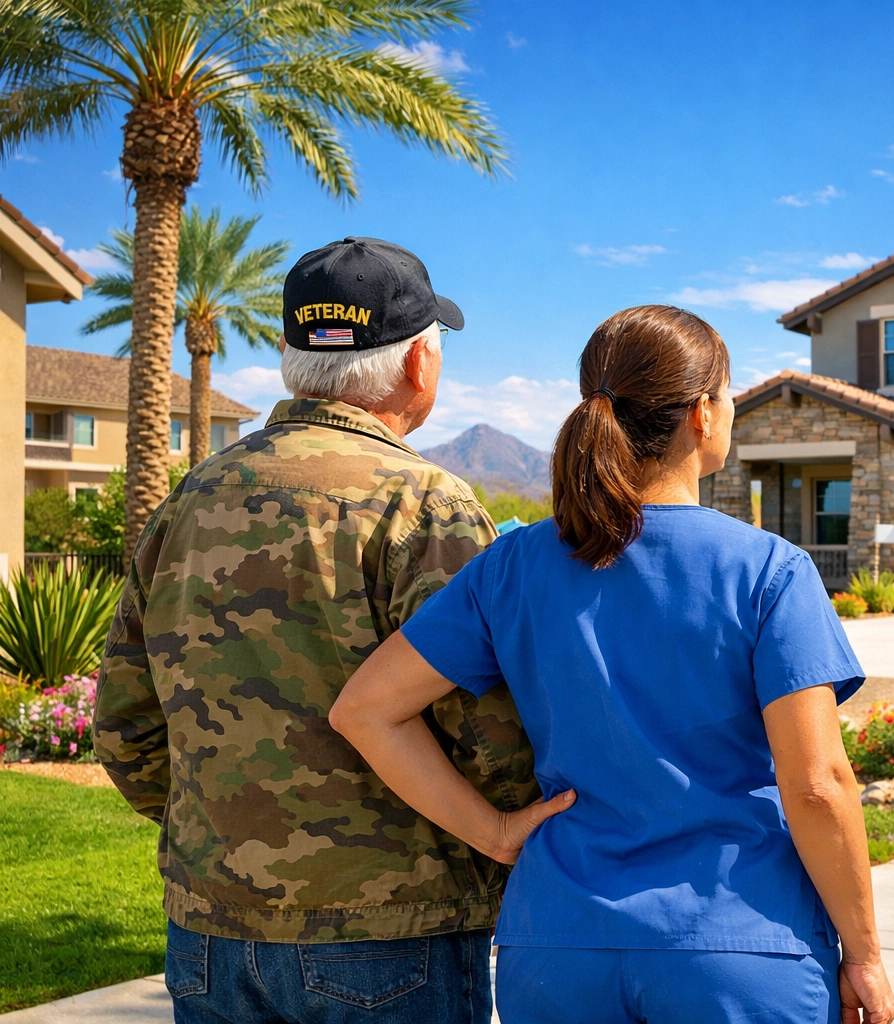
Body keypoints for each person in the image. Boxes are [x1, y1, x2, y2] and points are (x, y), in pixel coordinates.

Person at [330, 305, 894, 1024]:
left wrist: (496, 832)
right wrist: (866, 954)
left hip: (559, 950)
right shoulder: (769, 571)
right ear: (703, 414)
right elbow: (817, 784)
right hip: (740, 949)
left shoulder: (512, 565)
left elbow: (366, 710)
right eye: (728, 395)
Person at [94, 237, 569, 1024]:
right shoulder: (428, 505)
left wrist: (230, 835)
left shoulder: (187, 503)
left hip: (211, 932)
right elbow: (492, 734)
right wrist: (501, 830)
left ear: (290, 355)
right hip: (395, 933)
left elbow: (126, 728)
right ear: (419, 364)